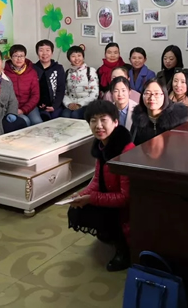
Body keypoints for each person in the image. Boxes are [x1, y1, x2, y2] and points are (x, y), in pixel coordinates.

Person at [67, 100, 135, 272]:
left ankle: (124, 252)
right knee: (76, 208)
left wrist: (91, 198)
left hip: (130, 210)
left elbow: (126, 198)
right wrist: (81, 195)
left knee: (92, 208)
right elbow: (97, 180)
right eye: (93, 121)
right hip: (111, 199)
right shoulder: (102, 145)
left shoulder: (126, 150)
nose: (98, 126)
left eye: (103, 120)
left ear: (115, 122)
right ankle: (109, 234)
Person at [130, 78, 188, 146]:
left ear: (164, 95)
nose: (152, 98)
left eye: (157, 94)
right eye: (148, 93)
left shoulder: (178, 119)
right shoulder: (138, 119)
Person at [3, 44, 42, 127]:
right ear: (10, 57)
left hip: (30, 106)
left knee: (37, 122)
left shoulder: (32, 72)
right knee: (25, 121)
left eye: (21, 56)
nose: (19, 59)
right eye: (15, 56)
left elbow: (35, 95)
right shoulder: (4, 73)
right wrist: (13, 109)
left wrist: (24, 109)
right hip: (12, 108)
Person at [62, 46, 99, 119]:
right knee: (64, 116)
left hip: (86, 104)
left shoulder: (90, 71)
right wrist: (69, 104)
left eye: (79, 55)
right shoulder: (67, 73)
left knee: (75, 115)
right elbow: (64, 92)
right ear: (69, 59)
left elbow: (95, 93)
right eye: (73, 56)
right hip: (71, 104)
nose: (76, 59)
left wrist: (80, 104)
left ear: (83, 57)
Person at [33, 40, 65, 121]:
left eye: (47, 50)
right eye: (41, 50)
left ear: (52, 52)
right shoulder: (33, 69)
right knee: (43, 118)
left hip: (56, 105)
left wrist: (54, 106)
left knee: (55, 118)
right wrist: (39, 104)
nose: (44, 53)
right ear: (37, 53)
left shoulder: (58, 68)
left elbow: (61, 89)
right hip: (38, 105)